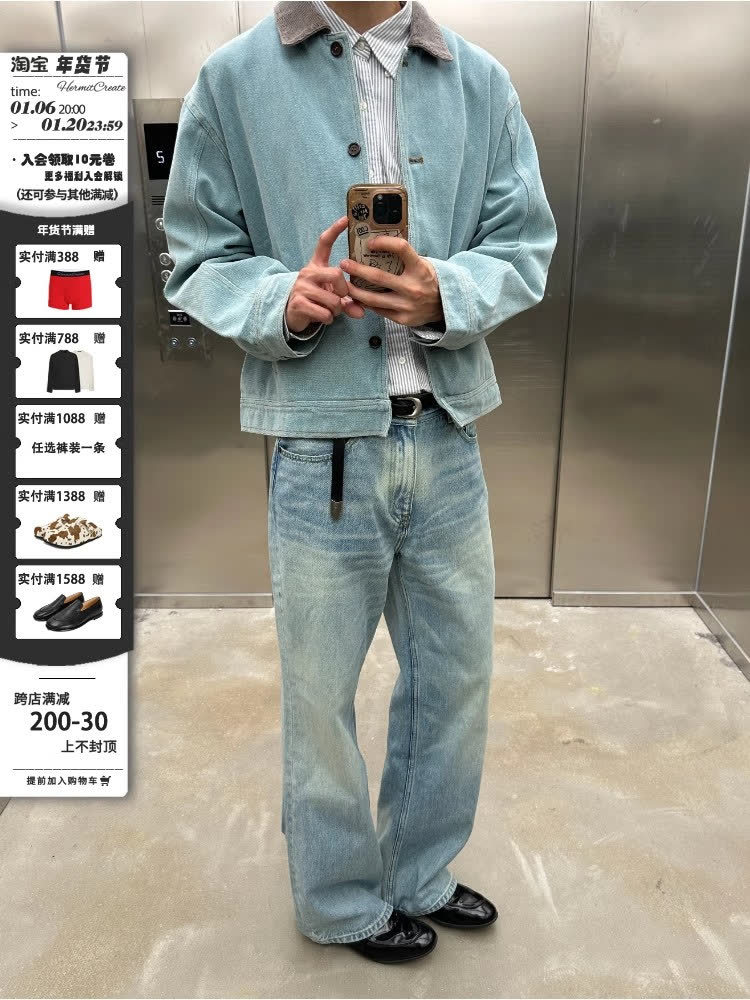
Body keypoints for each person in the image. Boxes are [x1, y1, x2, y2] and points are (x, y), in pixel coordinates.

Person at [162, 0, 557, 964]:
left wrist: (445, 292)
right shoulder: (235, 79)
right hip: (320, 450)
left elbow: (524, 242)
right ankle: (339, 900)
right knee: (318, 696)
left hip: (447, 434)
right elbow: (196, 253)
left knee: (454, 682)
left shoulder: (479, 81)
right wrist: (279, 301)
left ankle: (420, 871)